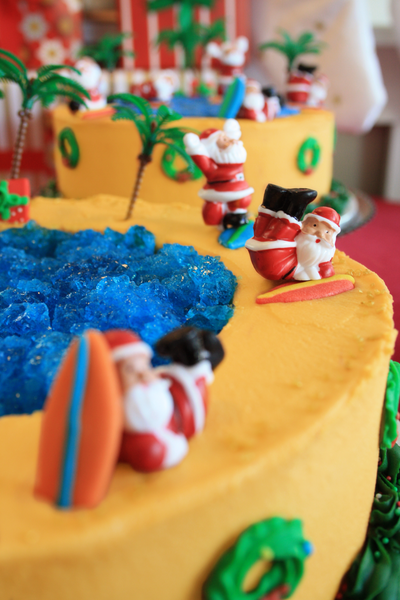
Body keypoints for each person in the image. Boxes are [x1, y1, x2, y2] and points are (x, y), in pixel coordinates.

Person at [104, 327, 224, 473]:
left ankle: (195, 355)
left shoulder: (152, 393)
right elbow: (152, 454)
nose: (143, 375)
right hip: (184, 414)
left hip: (182, 395)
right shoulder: (132, 424)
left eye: (145, 366)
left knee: (195, 367)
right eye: (130, 370)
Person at [245, 184, 340, 281]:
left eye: (327, 232)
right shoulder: (302, 240)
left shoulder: (325, 252)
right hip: (280, 260)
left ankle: (273, 198)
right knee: (278, 231)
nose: (319, 234)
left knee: (266, 226)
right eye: (314, 225)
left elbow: (322, 269)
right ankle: (295, 203)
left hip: (278, 263)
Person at [184, 119, 254, 229]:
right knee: (213, 213)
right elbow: (200, 157)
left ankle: (238, 218)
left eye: (227, 137)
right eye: (224, 139)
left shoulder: (236, 155)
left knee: (243, 201)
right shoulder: (212, 165)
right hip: (218, 191)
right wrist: (194, 147)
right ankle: (221, 223)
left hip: (240, 189)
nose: (230, 141)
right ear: (212, 148)